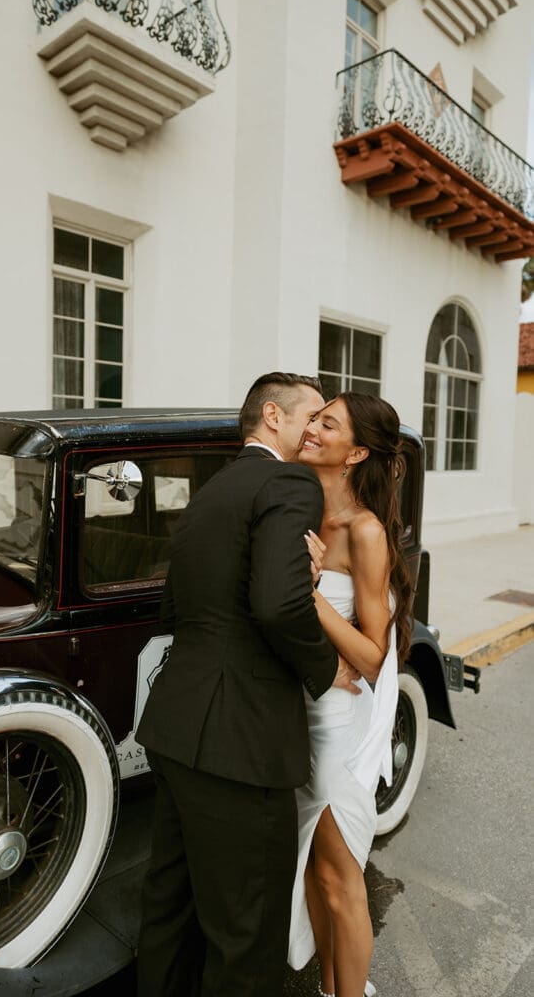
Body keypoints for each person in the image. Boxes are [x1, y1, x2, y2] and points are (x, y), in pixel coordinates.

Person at [135, 372, 361, 997]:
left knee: (169, 910)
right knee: (245, 935)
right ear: (272, 417)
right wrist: (326, 668)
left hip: (177, 723)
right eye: (310, 416)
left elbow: (175, 610)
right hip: (241, 743)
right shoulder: (288, 482)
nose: (315, 428)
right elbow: (276, 604)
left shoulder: (210, 493)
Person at [287, 391, 413, 997]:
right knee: (317, 871)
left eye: (326, 423)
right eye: (313, 419)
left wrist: (308, 591)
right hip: (299, 715)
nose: (311, 428)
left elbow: (370, 656)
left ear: (357, 450)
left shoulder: (364, 532)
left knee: (343, 882)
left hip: (338, 726)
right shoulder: (303, 511)